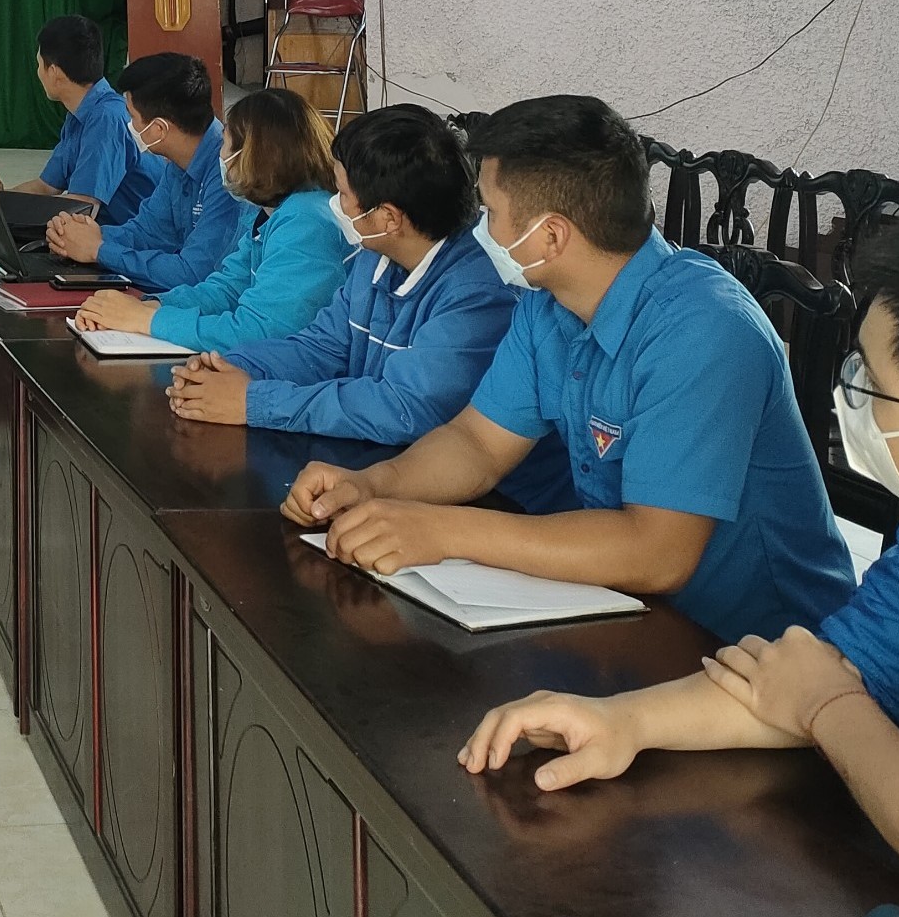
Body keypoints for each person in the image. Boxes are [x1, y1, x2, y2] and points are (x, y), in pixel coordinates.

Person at [460, 204, 899, 917]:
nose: (847, 394)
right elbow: (826, 667)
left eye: (869, 383)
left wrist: (830, 707)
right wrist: (625, 722)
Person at [274, 95, 853, 642]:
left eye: (491, 213)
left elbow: (658, 552)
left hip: (760, 644)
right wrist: (372, 486)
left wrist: (441, 529)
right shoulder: (547, 305)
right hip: (622, 609)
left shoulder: (704, 331)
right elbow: (477, 443)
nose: (480, 231)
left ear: (550, 235)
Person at [165, 104, 573, 515]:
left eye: (343, 195)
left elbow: (405, 406)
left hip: (501, 506)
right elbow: (320, 346)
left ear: (388, 218)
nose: (334, 205)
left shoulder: (479, 292)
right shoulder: (375, 257)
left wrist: (256, 401)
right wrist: (229, 369)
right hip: (392, 470)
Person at [74, 88, 347, 353]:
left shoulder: (307, 220)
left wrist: (149, 321)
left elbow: (261, 331)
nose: (221, 155)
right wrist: (149, 306)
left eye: (225, 144)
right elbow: (227, 289)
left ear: (257, 155)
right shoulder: (269, 210)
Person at [45, 53, 251, 292]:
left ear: (159, 129)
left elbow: (193, 273)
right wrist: (77, 235)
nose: (128, 126)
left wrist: (99, 250)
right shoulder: (179, 163)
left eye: (132, 117)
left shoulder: (229, 172)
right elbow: (147, 232)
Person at [11, 15, 158, 226]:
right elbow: (45, 187)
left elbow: (81, 208)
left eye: (39, 64)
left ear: (54, 72)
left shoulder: (106, 118)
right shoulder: (77, 116)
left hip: (137, 237)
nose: (38, 73)